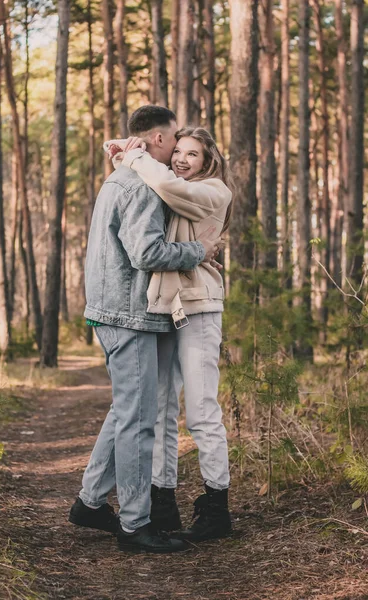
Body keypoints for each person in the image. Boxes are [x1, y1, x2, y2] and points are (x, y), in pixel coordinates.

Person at [68, 107, 222, 554]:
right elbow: (147, 252)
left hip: (116, 309)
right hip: (127, 312)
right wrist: (198, 250)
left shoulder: (123, 174)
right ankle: (136, 525)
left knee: (127, 411)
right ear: (156, 138)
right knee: (138, 420)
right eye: (174, 138)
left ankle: (91, 501)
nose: (177, 147)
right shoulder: (140, 185)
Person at [108, 127, 233, 542]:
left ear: (208, 160)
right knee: (160, 409)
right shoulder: (176, 186)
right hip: (165, 308)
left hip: (199, 309)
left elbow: (159, 181)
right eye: (177, 151)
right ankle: (163, 503)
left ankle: (217, 508)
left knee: (200, 411)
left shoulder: (214, 191)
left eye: (191, 154)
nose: (180, 158)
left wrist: (134, 153)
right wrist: (123, 156)